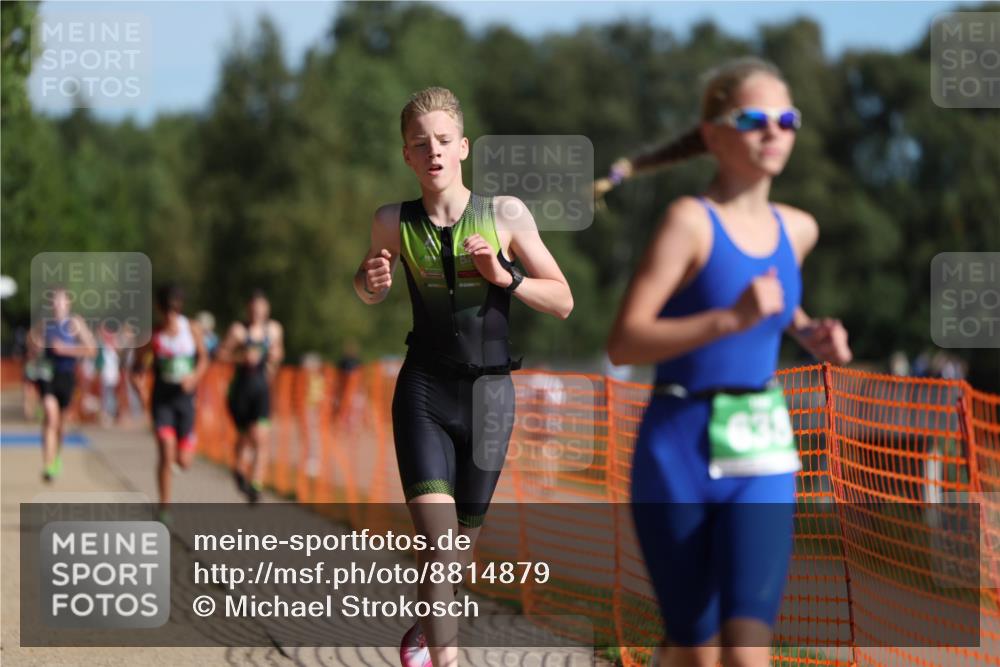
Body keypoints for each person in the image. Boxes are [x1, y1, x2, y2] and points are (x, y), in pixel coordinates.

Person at [604, 57, 852, 667]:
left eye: (786, 119)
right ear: (714, 134)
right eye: (753, 119)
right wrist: (730, 321)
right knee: (694, 651)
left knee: (746, 652)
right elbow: (625, 341)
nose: (774, 132)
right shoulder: (689, 222)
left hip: (760, 450)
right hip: (677, 449)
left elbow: (771, 305)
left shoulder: (799, 230)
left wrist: (811, 333)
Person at [353, 86, 573, 667]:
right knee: (436, 545)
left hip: (490, 401)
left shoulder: (505, 214)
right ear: (406, 156)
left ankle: (428, 627)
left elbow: (564, 300)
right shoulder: (390, 221)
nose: (434, 152)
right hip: (424, 391)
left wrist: (506, 277)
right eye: (420, 143)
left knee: (458, 552)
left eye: (444, 140)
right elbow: (367, 284)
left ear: (464, 147)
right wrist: (368, 281)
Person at [131, 284, 209, 522]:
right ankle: (164, 508)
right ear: (160, 309)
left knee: (183, 462)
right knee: (166, 452)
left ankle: (186, 447)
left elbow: (204, 359)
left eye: (174, 309)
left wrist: (194, 377)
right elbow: (136, 367)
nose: (170, 315)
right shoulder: (153, 335)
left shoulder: (192, 328)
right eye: (166, 310)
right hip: (162, 399)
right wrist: (139, 388)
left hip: (185, 399)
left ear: (180, 308)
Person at [217, 290, 284, 504]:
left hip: (262, 390)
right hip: (240, 391)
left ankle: (256, 484)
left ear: (267, 309)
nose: (257, 313)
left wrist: (275, 356)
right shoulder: (238, 331)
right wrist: (240, 357)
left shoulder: (273, 330)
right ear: (248, 309)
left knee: (261, 437)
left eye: (260, 309)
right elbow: (220, 354)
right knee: (245, 438)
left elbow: (279, 353)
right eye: (253, 309)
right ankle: (237, 469)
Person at [27, 286, 97, 482]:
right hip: (47, 374)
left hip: (66, 376)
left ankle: (56, 456)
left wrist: (66, 349)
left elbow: (91, 350)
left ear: (68, 303)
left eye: (61, 300)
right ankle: (48, 464)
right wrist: (36, 347)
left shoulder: (75, 323)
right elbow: (31, 341)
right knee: (50, 415)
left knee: (60, 424)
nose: (57, 304)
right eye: (54, 301)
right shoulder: (45, 324)